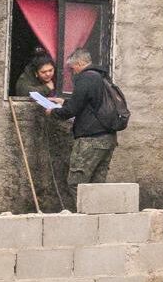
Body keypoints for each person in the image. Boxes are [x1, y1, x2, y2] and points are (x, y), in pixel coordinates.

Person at [45, 49, 117, 208]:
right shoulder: (102, 77)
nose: (73, 72)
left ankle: (84, 217)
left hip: (90, 139)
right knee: (96, 184)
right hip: (108, 138)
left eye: (73, 68)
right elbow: (89, 103)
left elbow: (72, 110)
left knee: (76, 183)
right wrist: (64, 101)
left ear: (79, 64)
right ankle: (98, 219)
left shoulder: (85, 78)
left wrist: (54, 111)